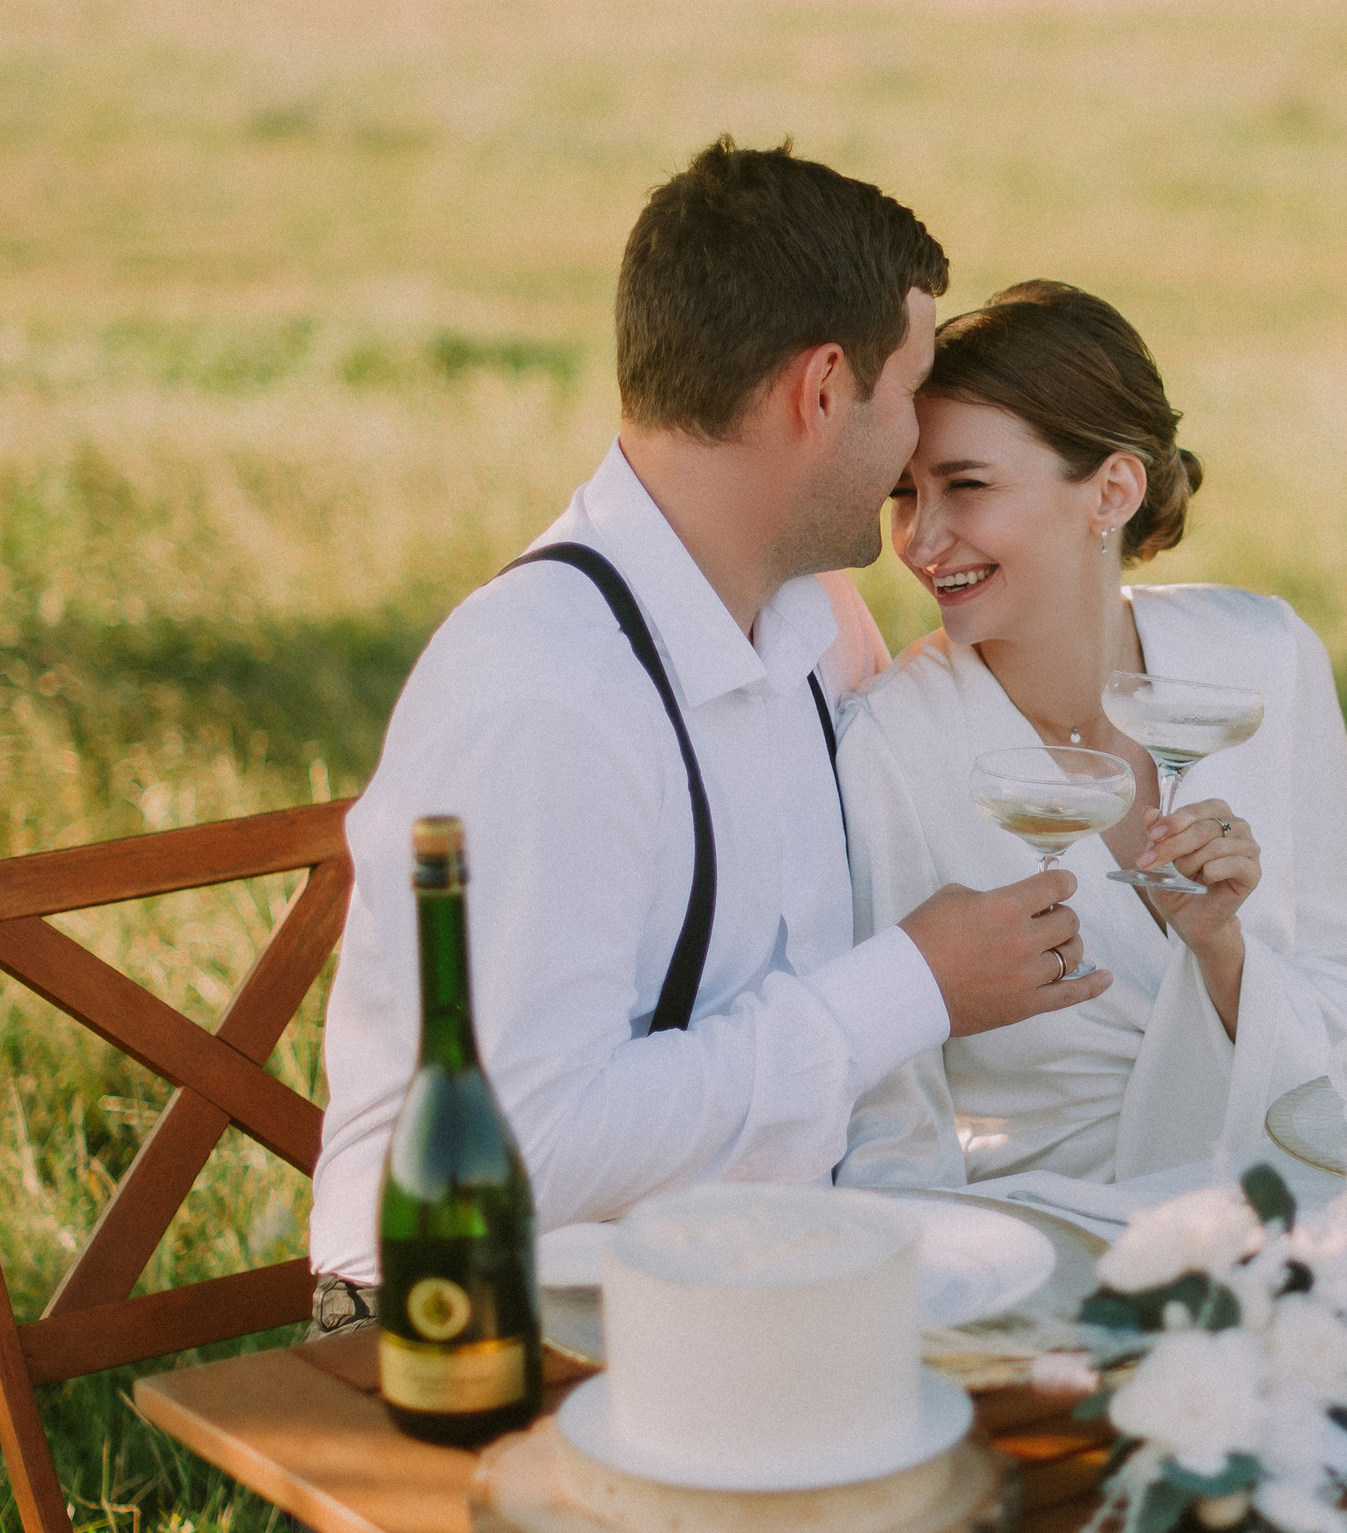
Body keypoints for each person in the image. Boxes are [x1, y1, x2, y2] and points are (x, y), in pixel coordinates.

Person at [307, 144, 1112, 1322]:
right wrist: (911, 985)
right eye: (910, 394)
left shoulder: (798, 619)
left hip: (725, 1272)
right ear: (824, 388)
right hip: (464, 1322)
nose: (914, 446)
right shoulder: (546, 693)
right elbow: (525, 1150)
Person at [835, 282, 1347, 1188]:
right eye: (904, 494)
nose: (920, 539)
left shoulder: (1263, 658)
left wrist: (1223, 952)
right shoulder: (892, 746)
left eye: (966, 486)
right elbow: (891, 1122)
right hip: (1042, 1252)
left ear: (1113, 490)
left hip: (1292, 1201)